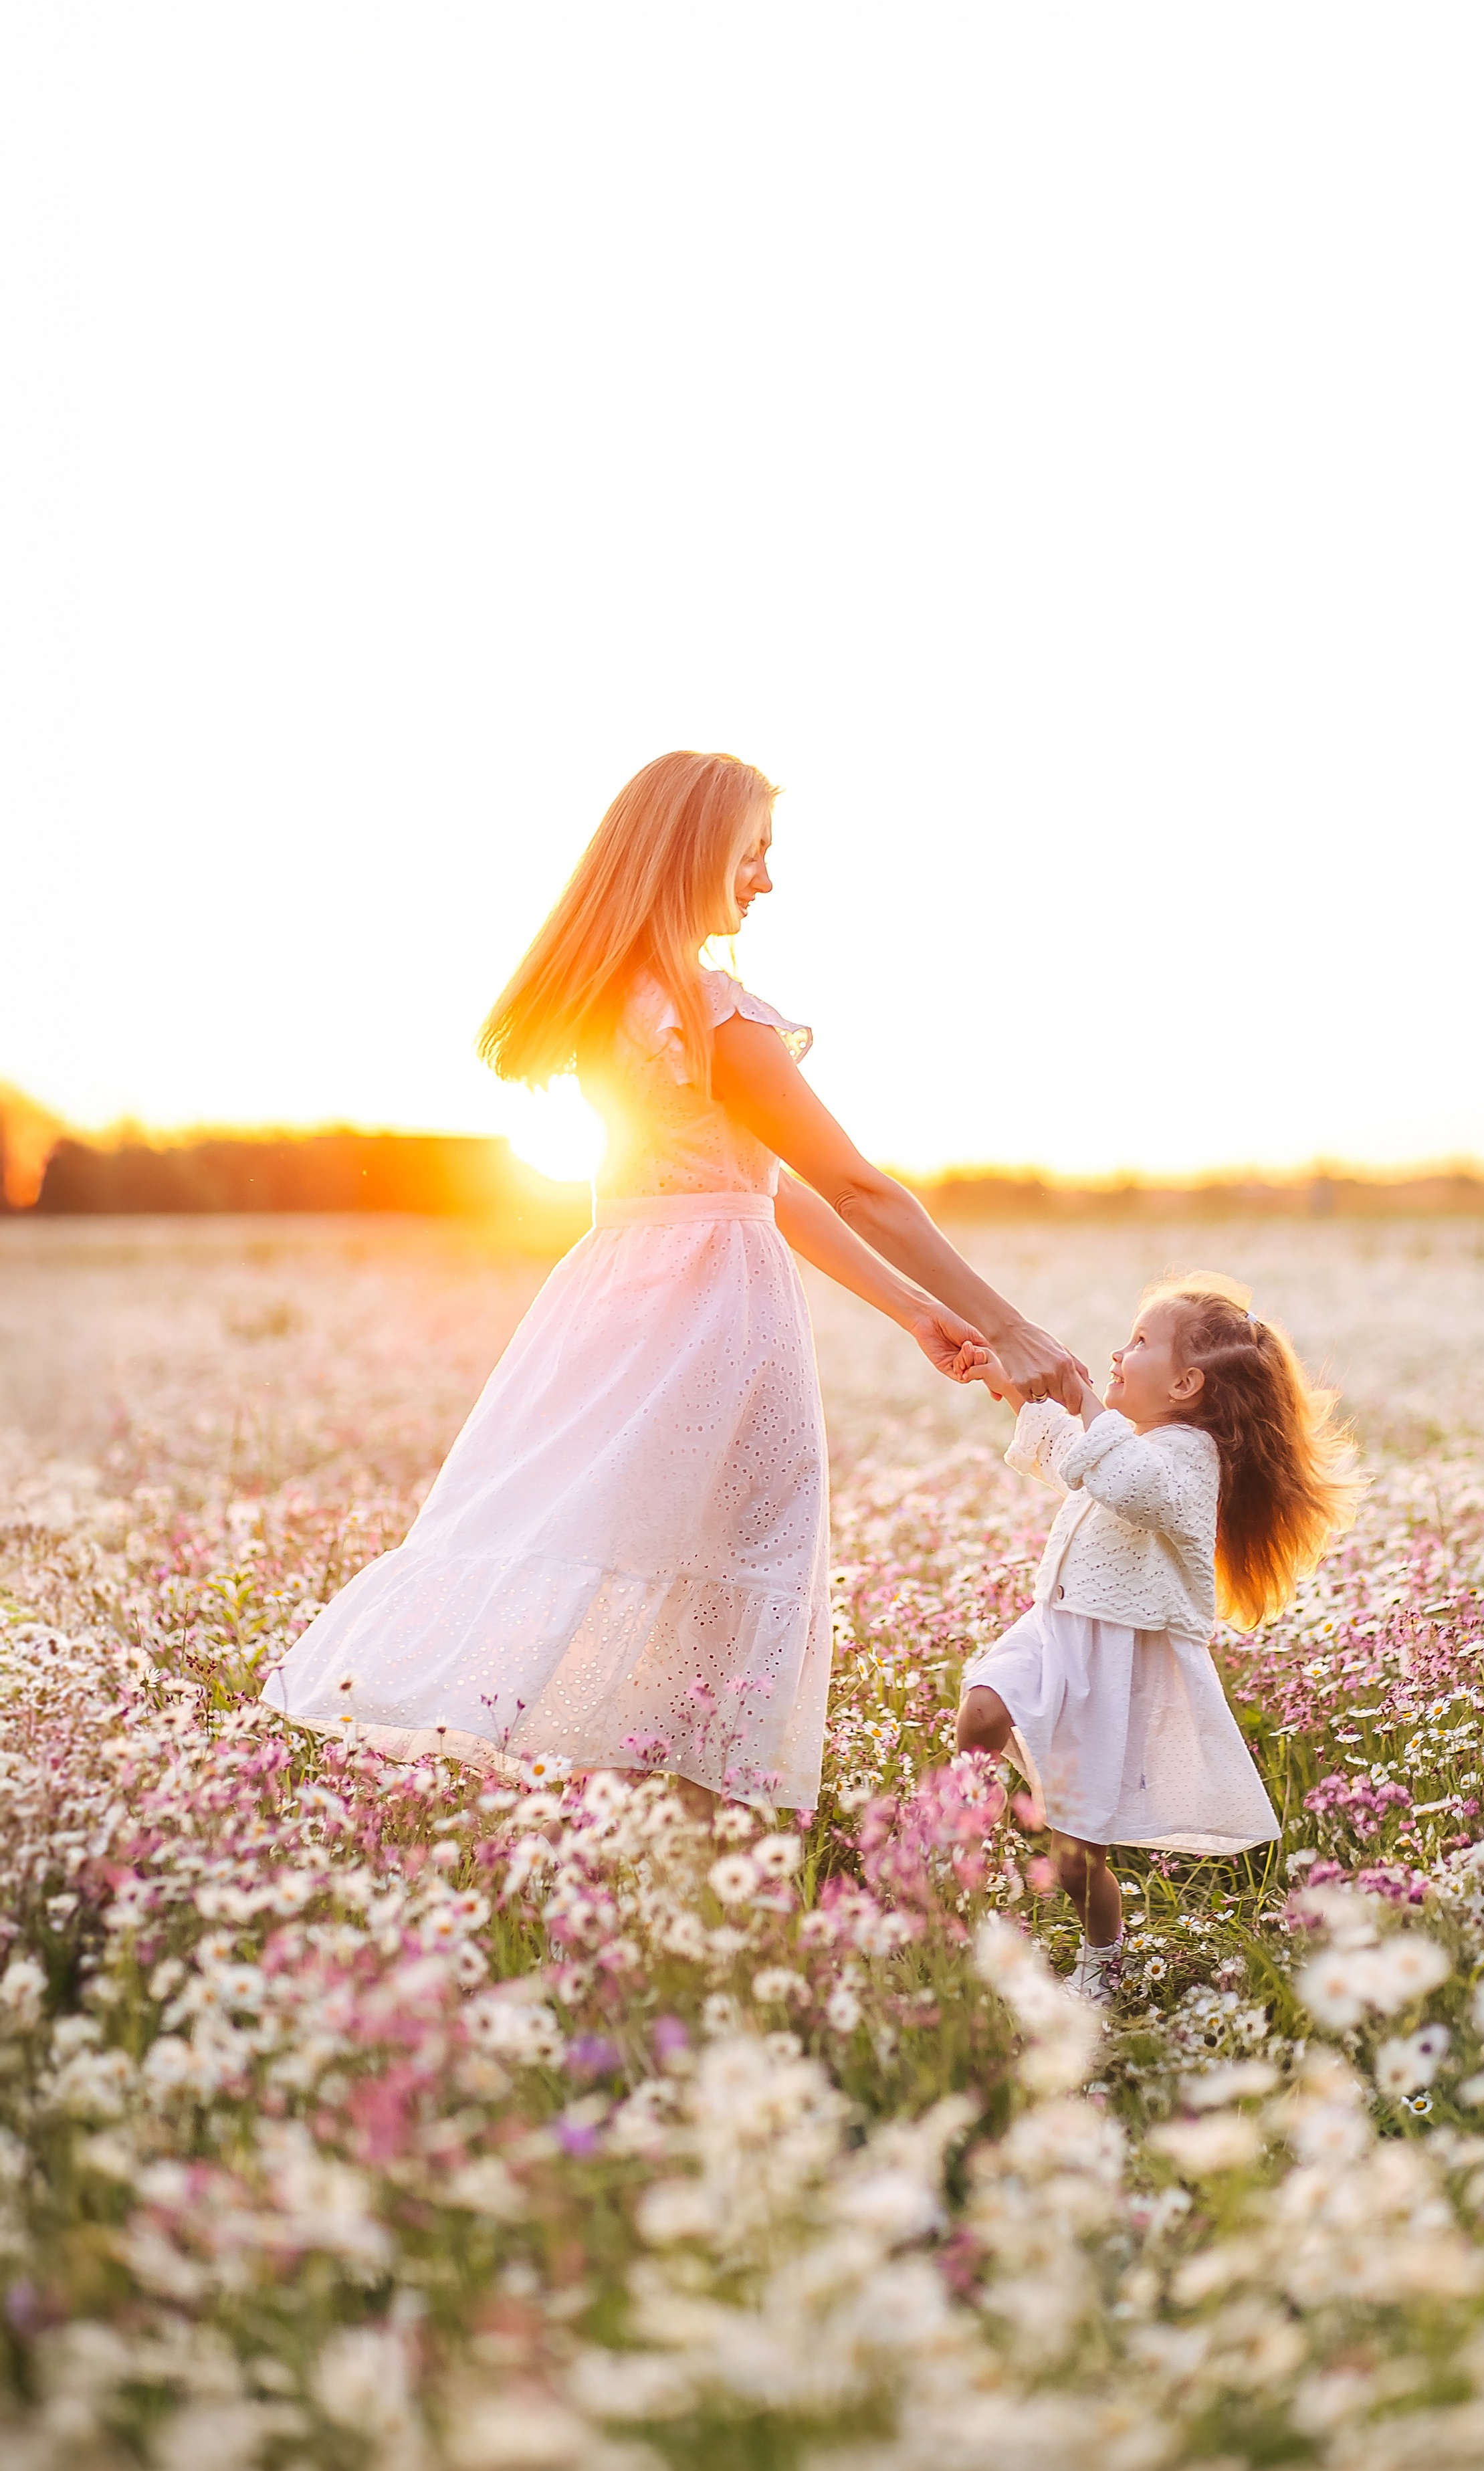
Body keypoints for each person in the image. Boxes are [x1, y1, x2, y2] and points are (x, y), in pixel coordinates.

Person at [263, 749, 1085, 1810]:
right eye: (751, 854)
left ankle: (649, 1839)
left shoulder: (614, 1004)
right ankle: (715, 1833)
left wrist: (913, 1309)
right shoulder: (714, 1013)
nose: (768, 881)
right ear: (691, 854)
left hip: (613, 1309)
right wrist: (1007, 1327)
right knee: (734, 1566)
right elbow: (852, 1185)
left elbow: (757, 1188)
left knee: (633, 1558)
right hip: (715, 1322)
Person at [954, 1273, 1360, 1999]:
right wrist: (1004, 1378)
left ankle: (1102, 1956)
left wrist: (1084, 1401)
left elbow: (1134, 1487)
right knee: (980, 1711)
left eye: (1140, 1341)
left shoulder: (1190, 1459)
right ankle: (950, 1839)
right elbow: (1069, 1454)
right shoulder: (1131, 1442)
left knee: (1076, 1853)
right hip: (1055, 1626)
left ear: (1185, 1384)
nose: (1118, 1352)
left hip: (1116, 1658)